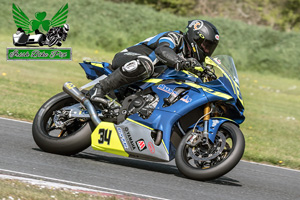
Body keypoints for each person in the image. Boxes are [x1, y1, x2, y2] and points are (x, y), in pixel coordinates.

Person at [89, 20, 219, 99]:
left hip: (145, 83)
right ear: (195, 38)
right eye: (205, 46)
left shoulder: (193, 61)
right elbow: (162, 50)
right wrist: (180, 62)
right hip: (128, 58)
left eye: (210, 48)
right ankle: (99, 89)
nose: (207, 51)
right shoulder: (176, 37)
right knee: (146, 65)